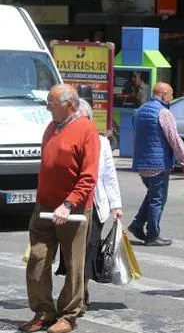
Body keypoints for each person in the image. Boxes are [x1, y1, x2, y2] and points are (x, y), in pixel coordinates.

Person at [20, 85, 100, 333]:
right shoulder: (52, 126)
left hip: (72, 209)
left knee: (74, 264)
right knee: (37, 260)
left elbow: (89, 176)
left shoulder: (86, 130)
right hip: (44, 206)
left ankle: (68, 315)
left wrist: (68, 204)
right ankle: (44, 312)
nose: (48, 109)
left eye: (51, 104)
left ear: (70, 105)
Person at [54, 99, 124, 316]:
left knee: (89, 249)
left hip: (95, 204)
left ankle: (81, 291)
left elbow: (109, 176)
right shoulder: (62, 139)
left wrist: (116, 205)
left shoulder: (101, 142)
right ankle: (72, 292)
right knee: (69, 251)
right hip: (70, 204)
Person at [127, 82, 184, 247]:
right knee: (158, 199)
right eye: (171, 94)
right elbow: (174, 138)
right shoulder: (164, 112)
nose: (172, 98)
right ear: (163, 94)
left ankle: (137, 225)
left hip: (142, 164)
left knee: (152, 195)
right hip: (158, 164)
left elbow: (135, 137)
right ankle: (153, 235)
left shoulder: (139, 111)